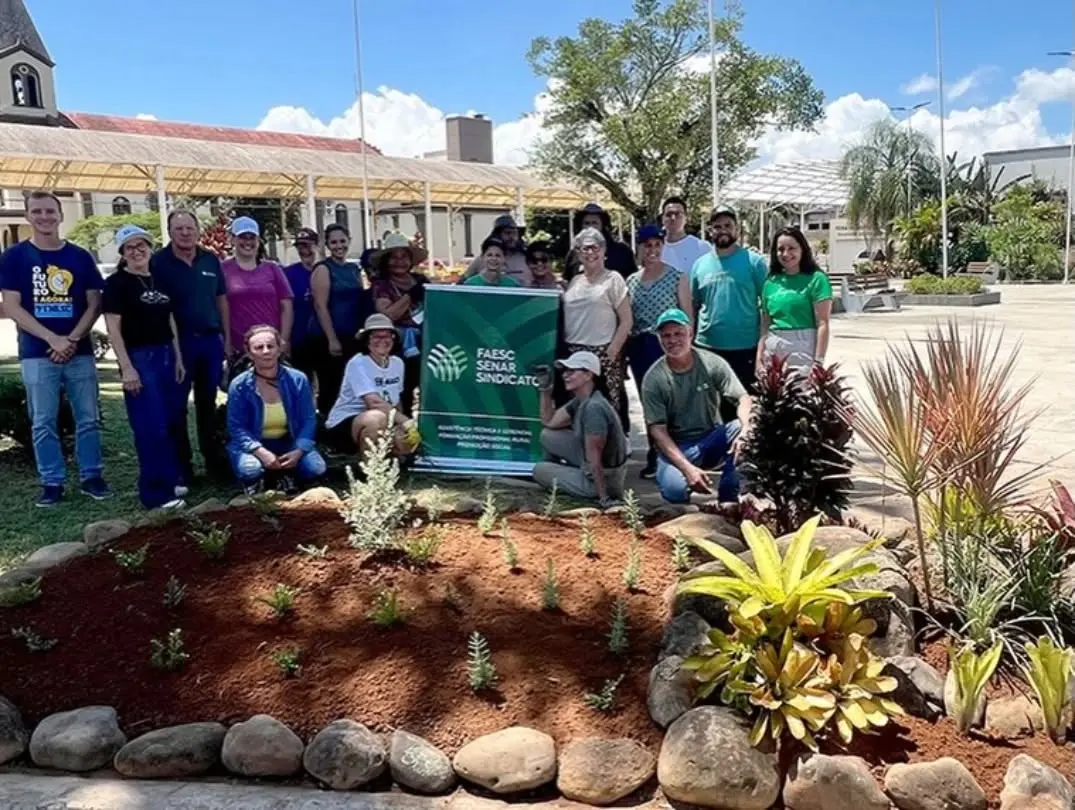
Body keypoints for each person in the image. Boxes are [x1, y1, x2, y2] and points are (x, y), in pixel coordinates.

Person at [0, 190, 111, 507]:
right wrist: (52, 339)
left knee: (87, 418)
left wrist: (72, 339)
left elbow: (94, 304)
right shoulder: (14, 257)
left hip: (80, 352)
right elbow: (12, 307)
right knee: (43, 420)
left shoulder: (79, 257)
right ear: (28, 216)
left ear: (61, 215)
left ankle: (92, 476)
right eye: (38, 211)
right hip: (37, 353)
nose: (45, 217)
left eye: (51, 211)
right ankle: (52, 481)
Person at [103, 226, 187, 510]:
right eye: (130, 247)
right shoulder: (117, 284)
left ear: (150, 248)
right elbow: (113, 328)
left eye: (142, 245)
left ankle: (169, 478)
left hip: (166, 355)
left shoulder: (160, 279)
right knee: (150, 426)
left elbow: (171, 320)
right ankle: (155, 494)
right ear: (123, 253)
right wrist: (126, 368)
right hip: (139, 358)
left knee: (170, 422)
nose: (137, 251)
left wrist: (177, 358)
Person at [642, 308, 754, 505]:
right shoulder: (654, 379)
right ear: (659, 339)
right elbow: (657, 431)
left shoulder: (712, 363)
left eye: (678, 333)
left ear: (691, 334)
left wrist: (745, 429)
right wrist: (687, 468)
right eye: (666, 335)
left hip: (711, 436)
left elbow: (743, 398)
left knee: (740, 428)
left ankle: (729, 497)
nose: (672, 340)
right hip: (678, 446)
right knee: (674, 492)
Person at [151, 210, 231, 480]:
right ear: (170, 231)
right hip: (177, 344)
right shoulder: (158, 262)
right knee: (176, 406)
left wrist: (227, 338)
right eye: (179, 228)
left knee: (208, 404)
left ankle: (213, 462)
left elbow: (221, 300)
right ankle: (181, 466)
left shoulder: (210, 259)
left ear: (197, 230)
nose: (185, 233)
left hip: (210, 341)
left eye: (189, 228)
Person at [226, 325, 326, 494]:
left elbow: (309, 419)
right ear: (250, 353)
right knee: (250, 470)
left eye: (271, 346)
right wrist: (260, 452)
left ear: (279, 349)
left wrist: (300, 449)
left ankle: (286, 472)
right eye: (259, 347)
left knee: (315, 468)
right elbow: (236, 427)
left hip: (290, 441)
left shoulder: (298, 379)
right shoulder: (239, 385)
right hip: (254, 443)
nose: (266, 351)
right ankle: (270, 476)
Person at [625, 223, 691, 478]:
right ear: (639, 248)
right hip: (640, 347)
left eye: (656, 245)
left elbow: (687, 315)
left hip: (669, 345)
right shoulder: (631, 281)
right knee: (648, 403)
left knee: (672, 401)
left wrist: (687, 346)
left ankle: (678, 455)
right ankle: (656, 454)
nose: (652, 250)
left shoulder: (676, 276)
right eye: (647, 245)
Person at [533, 351, 628, 506]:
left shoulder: (593, 408)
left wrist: (604, 498)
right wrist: (545, 390)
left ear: (589, 375)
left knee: (539, 470)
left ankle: (589, 487)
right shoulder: (582, 399)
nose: (565, 375)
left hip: (605, 478)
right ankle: (566, 472)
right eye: (565, 371)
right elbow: (549, 422)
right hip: (592, 464)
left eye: (572, 371)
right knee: (547, 435)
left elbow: (595, 457)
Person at [690, 205, 768, 389]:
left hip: (745, 347)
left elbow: (767, 307)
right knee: (711, 406)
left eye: (728, 225)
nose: (723, 230)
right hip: (707, 347)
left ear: (737, 229)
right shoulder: (699, 265)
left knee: (744, 406)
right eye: (717, 226)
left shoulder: (754, 262)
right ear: (710, 230)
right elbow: (693, 306)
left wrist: (763, 347)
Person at [562, 227, 632, 429]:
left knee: (608, 405)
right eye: (584, 249)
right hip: (574, 352)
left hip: (602, 352)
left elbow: (626, 320)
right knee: (578, 407)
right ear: (578, 253)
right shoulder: (575, 281)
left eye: (594, 248)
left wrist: (611, 352)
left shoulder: (614, 279)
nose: (590, 253)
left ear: (603, 250)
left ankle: (616, 447)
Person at [325, 314, 420, 461]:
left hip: (384, 418)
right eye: (376, 336)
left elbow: (396, 399)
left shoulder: (398, 363)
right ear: (367, 339)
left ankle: (390, 462)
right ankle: (368, 470)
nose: (382, 341)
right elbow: (373, 403)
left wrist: (401, 428)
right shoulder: (358, 363)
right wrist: (406, 421)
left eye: (387, 336)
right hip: (346, 424)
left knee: (405, 438)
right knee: (376, 418)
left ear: (394, 339)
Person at [310, 223, 372, 417]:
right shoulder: (323, 269)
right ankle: (328, 429)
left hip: (352, 335)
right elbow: (320, 306)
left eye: (342, 241)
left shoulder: (354, 269)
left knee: (350, 383)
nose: (339, 246)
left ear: (349, 241)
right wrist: (332, 339)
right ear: (327, 245)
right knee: (331, 384)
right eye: (334, 242)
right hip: (329, 336)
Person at [371, 232, 430, 418]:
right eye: (394, 257)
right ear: (386, 261)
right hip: (396, 345)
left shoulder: (422, 281)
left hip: (425, 342)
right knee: (403, 387)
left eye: (404, 256)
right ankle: (403, 427)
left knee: (426, 384)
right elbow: (387, 315)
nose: (399, 261)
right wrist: (410, 296)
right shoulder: (382, 285)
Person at [758, 227, 833, 372]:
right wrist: (759, 359)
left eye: (791, 248)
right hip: (773, 347)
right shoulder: (770, 282)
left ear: (802, 249)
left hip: (802, 348)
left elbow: (823, 323)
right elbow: (765, 324)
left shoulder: (817, 279)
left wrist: (818, 362)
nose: (786, 254)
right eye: (780, 249)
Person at [222, 217, 294, 359]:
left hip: (270, 347)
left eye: (252, 237)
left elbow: (287, 306)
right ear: (233, 240)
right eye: (242, 237)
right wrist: (227, 342)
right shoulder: (222, 269)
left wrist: (284, 341)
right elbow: (221, 308)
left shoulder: (272, 269)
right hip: (239, 348)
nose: (248, 242)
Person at [283, 227, 322, 383]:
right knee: (302, 382)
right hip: (298, 336)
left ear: (317, 246)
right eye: (300, 246)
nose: (304, 250)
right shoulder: (289, 273)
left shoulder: (326, 269)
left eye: (308, 245)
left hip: (323, 337)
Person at [564, 203, 637, 281]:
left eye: (594, 223)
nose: (591, 227)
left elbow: (631, 279)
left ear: (603, 225)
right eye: (587, 223)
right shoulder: (574, 254)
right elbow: (568, 280)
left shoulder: (622, 251)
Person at [462, 214, 530, 285]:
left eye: (515, 233)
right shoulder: (482, 260)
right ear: (497, 235)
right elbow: (462, 284)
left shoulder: (526, 259)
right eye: (508, 233)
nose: (512, 237)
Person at [660, 196, 710, 275]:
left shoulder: (702, 247)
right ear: (662, 218)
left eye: (678, 214)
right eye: (669, 214)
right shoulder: (655, 249)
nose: (673, 218)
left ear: (686, 218)